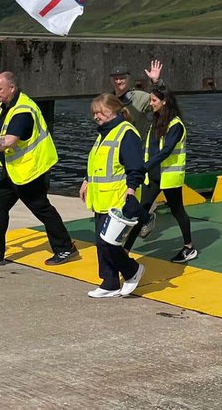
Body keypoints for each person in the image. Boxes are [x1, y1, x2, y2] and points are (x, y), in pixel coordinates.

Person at [0, 71, 77, 267]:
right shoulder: (4, 107)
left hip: (31, 169)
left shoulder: (23, 111)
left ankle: (65, 248)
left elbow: (8, 142)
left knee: (42, 208)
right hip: (14, 169)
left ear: (12, 88)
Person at [125, 64, 197, 262]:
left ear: (164, 102)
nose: (151, 103)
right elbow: (152, 149)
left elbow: (166, 152)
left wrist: (144, 167)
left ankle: (188, 247)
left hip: (168, 177)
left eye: (154, 100)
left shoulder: (176, 126)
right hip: (153, 175)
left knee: (177, 211)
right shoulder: (156, 121)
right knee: (141, 211)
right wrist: (156, 82)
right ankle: (125, 251)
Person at [81, 94, 147, 298]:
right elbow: (98, 163)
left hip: (118, 197)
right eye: (94, 113)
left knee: (108, 242)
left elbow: (135, 166)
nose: (95, 117)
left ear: (111, 111)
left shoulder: (125, 133)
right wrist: (86, 180)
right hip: (101, 197)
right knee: (101, 241)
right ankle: (109, 281)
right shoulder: (104, 133)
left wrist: (131, 190)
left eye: (98, 112)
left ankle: (132, 270)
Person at [108, 61, 162, 127]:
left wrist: (156, 82)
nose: (118, 81)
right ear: (111, 80)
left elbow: (161, 100)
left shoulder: (140, 97)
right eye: (115, 79)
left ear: (128, 79)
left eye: (122, 78)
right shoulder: (107, 100)